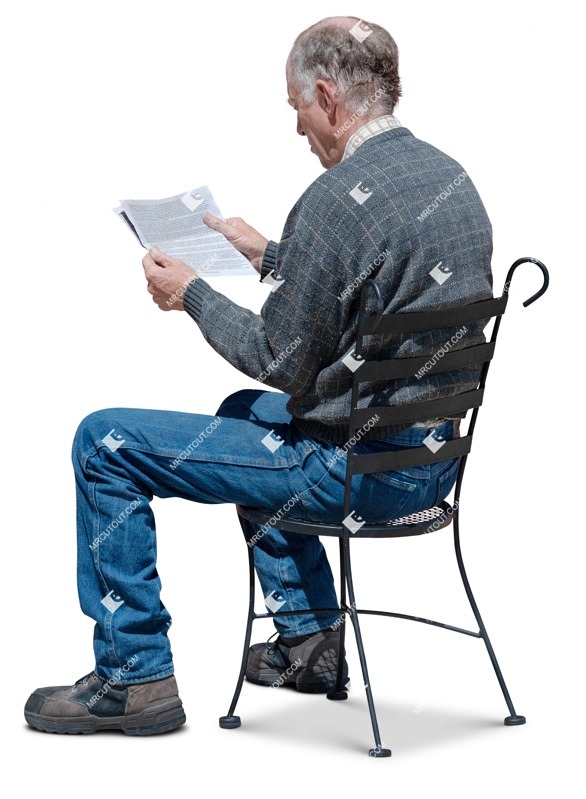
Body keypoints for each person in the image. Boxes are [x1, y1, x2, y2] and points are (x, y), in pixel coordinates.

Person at [25, 15, 493, 735]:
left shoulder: (334, 203)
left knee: (104, 441)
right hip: (427, 467)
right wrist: (272, 254)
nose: (298, 127)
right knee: (245, 410)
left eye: (297, 107)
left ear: (329, 96)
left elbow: (281, 359)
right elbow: (378, 294)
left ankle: (134, 675)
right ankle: (311, 643)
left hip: (354, 475)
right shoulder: (451, 179)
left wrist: (192, 295)